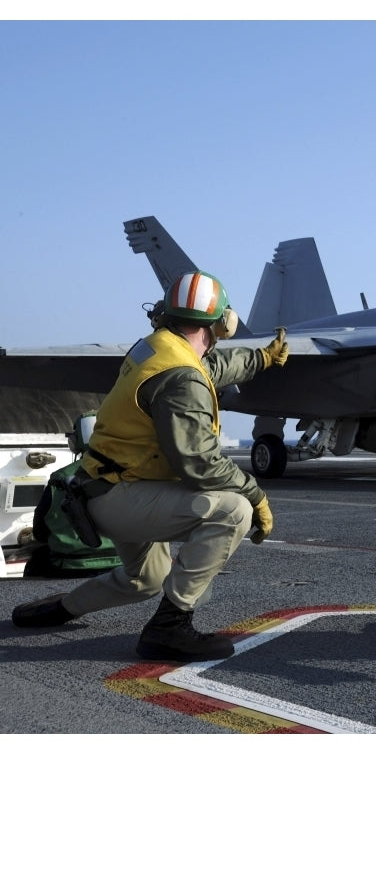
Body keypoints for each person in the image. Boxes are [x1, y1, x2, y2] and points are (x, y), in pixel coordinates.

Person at [11, 270, 289, 662]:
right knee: (233, 510)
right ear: (220, 323)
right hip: (120, 497)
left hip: (102, 488)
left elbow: (213, 371)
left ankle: (60, 608)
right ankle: (169, 628)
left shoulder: (157, 349)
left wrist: (261, 359)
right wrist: (256, 494)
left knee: (145, 579)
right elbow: (199, 462)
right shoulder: (181, 376)